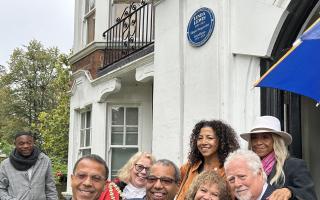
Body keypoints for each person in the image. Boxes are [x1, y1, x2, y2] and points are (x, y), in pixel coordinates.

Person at [240, 116, 317, 200]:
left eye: (265, 137)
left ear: (275, 140)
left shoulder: (294, 165)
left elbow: (310, 196)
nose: (258, 142)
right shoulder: (247, 168)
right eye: (254, 138)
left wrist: (290, 191)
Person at [176, 120, 239, 200]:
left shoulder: (229, 171)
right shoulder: (188, 168)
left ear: (221, 141)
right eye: (200, 138)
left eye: (210, 138)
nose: (203, 142)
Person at [0, 131, 58, 199]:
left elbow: (51, 188)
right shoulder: (6, 164)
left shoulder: (44, 160)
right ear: (15, 144)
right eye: (21, 143)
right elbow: (1, 188)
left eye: (29, 143)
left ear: (33, 143)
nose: (26, 146)